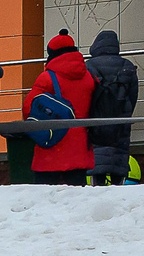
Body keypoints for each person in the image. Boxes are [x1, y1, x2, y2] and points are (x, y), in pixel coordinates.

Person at [27, 31, 96, 185]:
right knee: (77, 197)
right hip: (80, 148)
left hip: (52, 145)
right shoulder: (90, 77)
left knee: (45, 199)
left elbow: (28, 109)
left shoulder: (47, 78)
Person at [84, 30, 140, 186]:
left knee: (98, 162)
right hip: (120, 123)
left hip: (96, 122)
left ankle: (98, 191)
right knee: (118, 161)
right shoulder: (127, 67)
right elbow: (133, 96)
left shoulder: (89, 67)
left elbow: (85, 95)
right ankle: (118, 190)